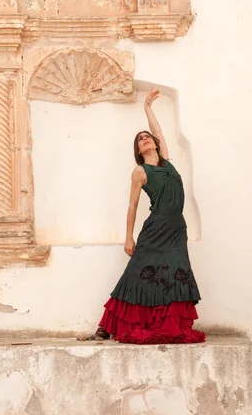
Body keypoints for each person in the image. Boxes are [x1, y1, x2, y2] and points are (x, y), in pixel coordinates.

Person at [85, 88, 205, 344]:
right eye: (140, 139)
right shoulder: (140, 172)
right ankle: (105, 327)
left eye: (147, 137)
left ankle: (167, 323)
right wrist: (128, 238)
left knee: (175, 273)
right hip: (155, 229)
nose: (146, 139)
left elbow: (159, 133)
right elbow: (132, 206)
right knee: (136, 275)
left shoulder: (166, 161)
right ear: (138, 150)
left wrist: (148, 107)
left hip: (176, 230)